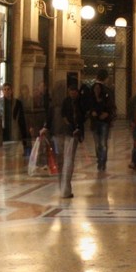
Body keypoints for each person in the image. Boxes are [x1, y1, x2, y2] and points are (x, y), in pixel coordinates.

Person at [57, 71, 82, 199]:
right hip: (68, 134)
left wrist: (78, 129)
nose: (73, 93)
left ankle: (65, 189)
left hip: (75, 134)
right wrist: (71, 128)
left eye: (75, 91)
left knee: (69, 160)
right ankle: (65, 190)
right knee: (68, 161)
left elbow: (81, 116)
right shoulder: (66, 102)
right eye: (71, 91)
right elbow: (64, 116)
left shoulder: (79, 102)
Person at [90, 70, 113, 173]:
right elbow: (111, 105)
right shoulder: (107, 90)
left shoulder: (91, 89)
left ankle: (101, 161)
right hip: (102, 120)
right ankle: (101, 161)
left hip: (98, 120)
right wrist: (108, 113)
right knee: (102, 143)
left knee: (99, 143)